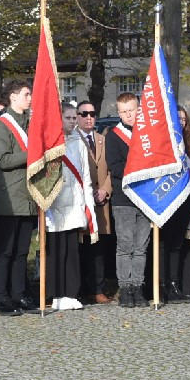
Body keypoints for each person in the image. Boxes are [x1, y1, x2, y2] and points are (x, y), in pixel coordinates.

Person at [0, 79, 38, 315]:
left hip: (28, 196)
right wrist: (32, 154)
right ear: (14, 96)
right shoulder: (1, 126)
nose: (30, 98)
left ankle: (19, 294)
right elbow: (4, 160)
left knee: (22, 252)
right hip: (10, 196)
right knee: (5, 250)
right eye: (26, 94)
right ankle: (0, 296)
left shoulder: (30, 123)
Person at [45, 105, 97, 310]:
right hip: (56, 204)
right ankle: (56, 293)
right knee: (56, 250)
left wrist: (87, 202)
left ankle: (71, 292)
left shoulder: (79, 141)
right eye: (68, 117)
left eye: (74, 117)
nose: (73, 121)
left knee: (72, 250)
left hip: (74, 202)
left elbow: (84, 174)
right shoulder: (50, 141)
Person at [105, 92, 151, 308]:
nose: (128, 115)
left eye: (131, 110)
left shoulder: (148, 134)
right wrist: (139, 170)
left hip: (146, 197)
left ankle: (138, 286)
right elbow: (114, 167)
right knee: (125, 245)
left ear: (139, 109)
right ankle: (125, 288)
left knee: (141, 246)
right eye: (123, 112)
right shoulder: (114, 136)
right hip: (123, 198)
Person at [74, 100, 112, 304]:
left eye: (92, 113)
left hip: (102, 203)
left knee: (99, 249)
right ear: (77, 116)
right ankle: (79, 288)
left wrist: (105, 190)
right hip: (82, 202)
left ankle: (97, 289)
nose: (89, 117)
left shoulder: (103, 139)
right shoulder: (72, 139)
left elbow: (112, 168)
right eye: (84, 113)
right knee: (81, 248)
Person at [158, 106, 190, 303]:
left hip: (185, 199)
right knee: (164, 243)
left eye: (183, 119)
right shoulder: (164, 142)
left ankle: (174, 284)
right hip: (167, 198)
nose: (180, 122)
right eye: (177, 118)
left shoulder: (189, 144)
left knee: (177, 245)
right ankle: (162, 284)